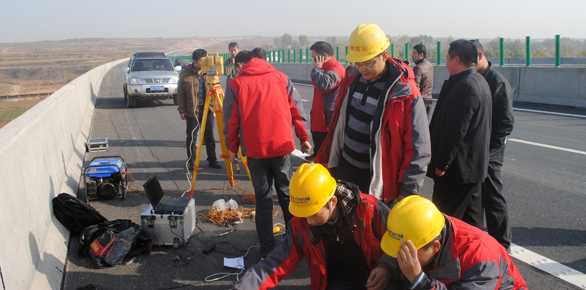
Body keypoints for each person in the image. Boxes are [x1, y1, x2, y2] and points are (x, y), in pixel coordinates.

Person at [315, 24, 431, 206]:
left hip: (375, 179)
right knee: (345, 226)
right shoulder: (352, 78)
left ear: (384, 55)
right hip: (345, 169)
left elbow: (418, 147)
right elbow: (339, 123)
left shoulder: (405, 93)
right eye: (358, 63)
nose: (363, 69)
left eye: (368, 63)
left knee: (370, 229)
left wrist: (407, 190)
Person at [232, 163, 394, 290]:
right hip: (340, 282)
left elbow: (403, 239)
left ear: (333, 202)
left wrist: (386, 267)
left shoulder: (368, 209)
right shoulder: (300, 225)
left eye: (314, 214)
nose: (308, 221)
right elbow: (272, 265)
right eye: (303, 214)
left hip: (377, 275)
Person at [223, 51, 311, 258]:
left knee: (263, 199)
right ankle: (295, 244)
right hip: (281, 146)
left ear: (241, 65)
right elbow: (296, 109)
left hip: (254, 151)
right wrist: (303, 137)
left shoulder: (236, 84)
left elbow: (231, 121)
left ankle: (267, 251)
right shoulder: (281, 78)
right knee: (287, 195)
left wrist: (232, 149)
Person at [380, 195, 527, 289]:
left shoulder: (480, 258)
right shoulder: (428, 226)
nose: (402, 258)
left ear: (436, 247)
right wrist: (387, 267)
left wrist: (419, 280)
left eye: (409, 253)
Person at [427, 40, 492, 230]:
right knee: (472, 224)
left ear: (456, 59)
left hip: (457, 172)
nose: (445, 63)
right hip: (472, 170)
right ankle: (475, 259)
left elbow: (455, 131)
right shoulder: (479, 80)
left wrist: (441, 164)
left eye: (447, 58)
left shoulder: (465, 86)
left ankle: (447, 258)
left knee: (445, 223)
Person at [471, 40, 515, 250]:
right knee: (476, 195)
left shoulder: (497, 82)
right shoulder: (475, 78)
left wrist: (490, 149)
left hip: (490, 151)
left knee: (493, 196)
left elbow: (505, 123)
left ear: (480, 56)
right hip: (475, 150)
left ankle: (502, 245)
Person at [177, 49, 221, 169]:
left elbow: (216, 87)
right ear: (194, 61)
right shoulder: (185, 74)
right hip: (192, 110)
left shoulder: (210, 72)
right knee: (191, 137)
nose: (203, 64)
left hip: (208, 109)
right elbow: (180, 94)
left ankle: (212, 160)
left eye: (205, 61)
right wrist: (182, 110)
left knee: (210, 137)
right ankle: (191, 161)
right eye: (201, 62)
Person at [305, 41, 346, 162]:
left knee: (326, 142)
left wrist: (317, 68)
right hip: (319, 111)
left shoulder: (336, 68)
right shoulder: (325, 67)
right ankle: (317, 153)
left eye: (314, 57)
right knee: (317, 135)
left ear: (323, 55)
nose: (313, 60)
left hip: (328, 115)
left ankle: (325, 163)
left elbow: (324, 84)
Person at [411, 44, 435, 121]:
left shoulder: (418, 68)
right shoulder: (429, 65)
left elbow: (415, 88)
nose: (412, 56)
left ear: (421, 55)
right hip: (429, 100)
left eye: (414, 53)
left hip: (421, 101)